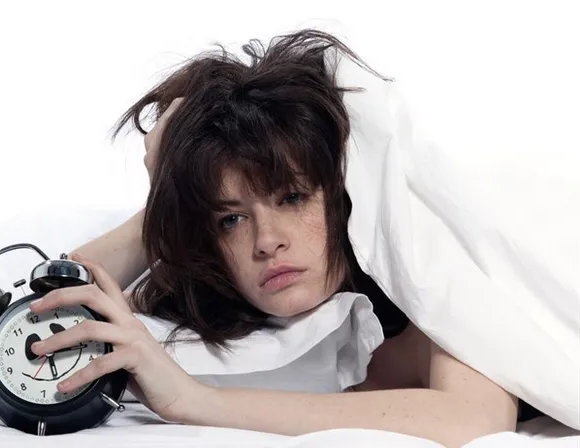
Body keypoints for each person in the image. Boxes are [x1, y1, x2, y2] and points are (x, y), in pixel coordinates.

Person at [27, 29, 528, 447]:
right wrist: (171, 201)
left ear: (343, 196)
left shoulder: (424, 282)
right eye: (230, 219)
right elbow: (27, 314)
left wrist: (194, 401)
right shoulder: (220, 312)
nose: (266, 241)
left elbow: (475, 419)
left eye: (291, 197)